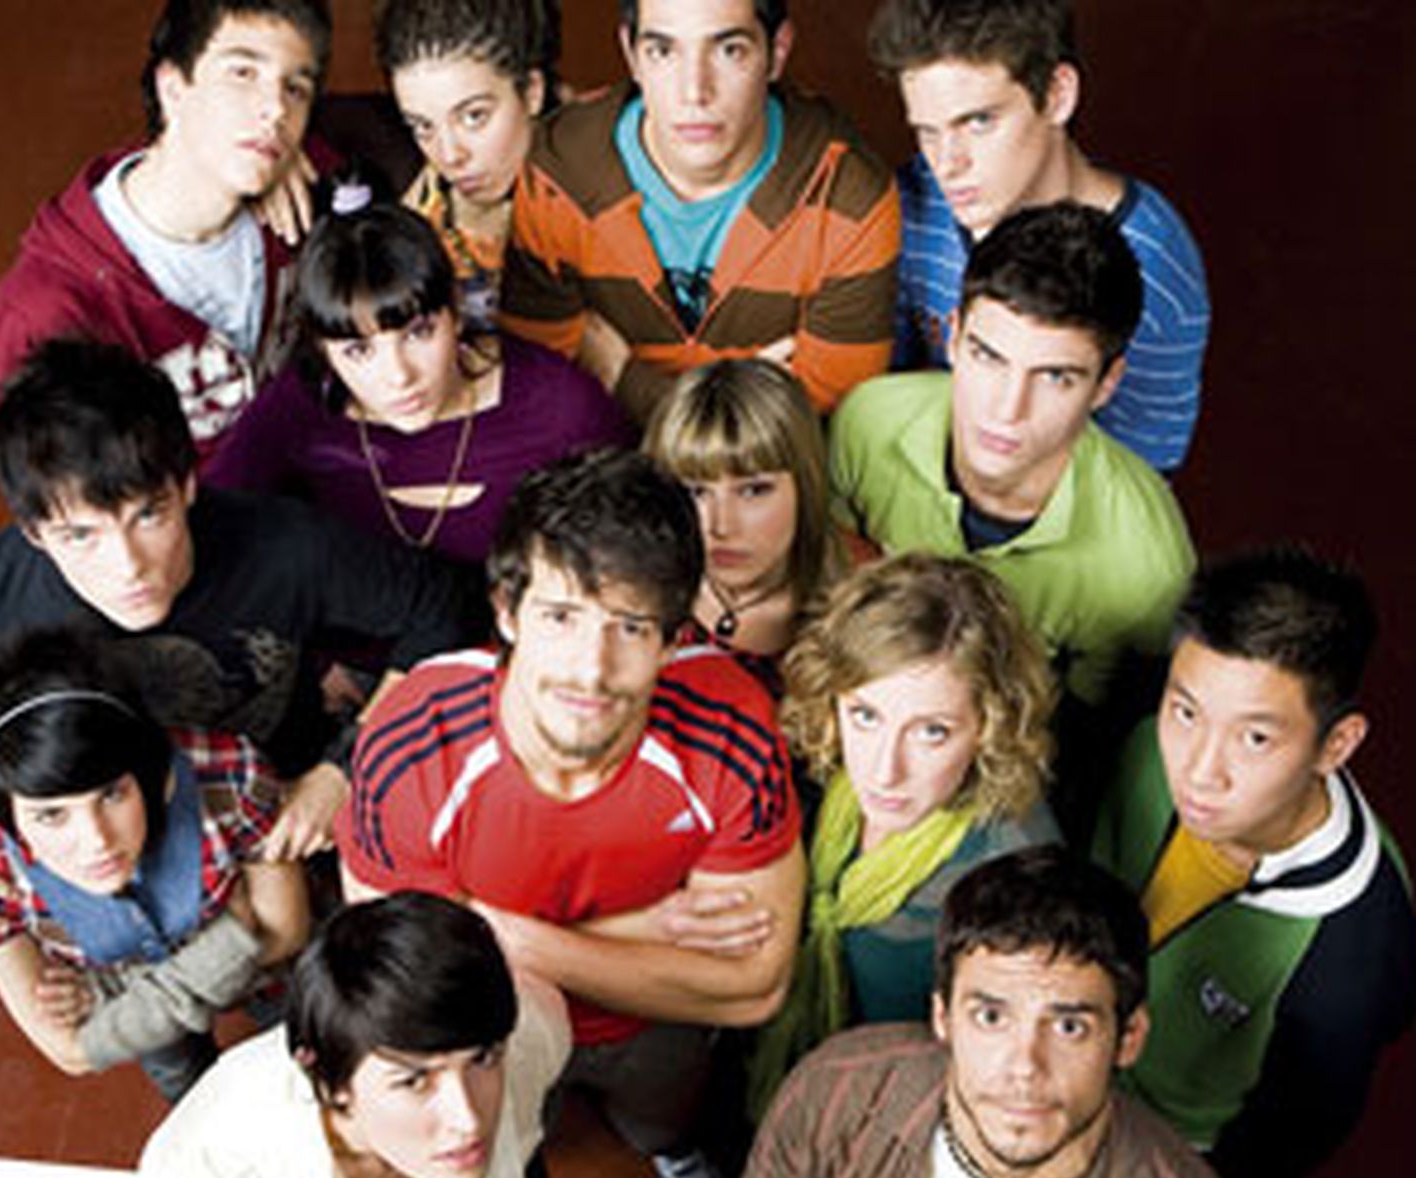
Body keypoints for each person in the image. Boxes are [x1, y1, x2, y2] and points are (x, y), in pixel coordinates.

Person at [0, 339, 479, 952]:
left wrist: (345, 766)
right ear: (33, 532)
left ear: (187, 484)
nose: (129, 567)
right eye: (81, 535)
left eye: (149, 515)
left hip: (278, 805)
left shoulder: (282, 548)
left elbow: (445, 605)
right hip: (106, 846)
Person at [335, 448, 804, 1178]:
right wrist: (643, 928)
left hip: (653, 1025)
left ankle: (675, 1159)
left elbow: (754, 987)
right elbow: (412, 977)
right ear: (506, 612)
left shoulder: (732, 727)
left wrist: (500, 931)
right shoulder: (413, 740)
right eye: (560, 617)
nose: (591, 668)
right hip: (491, 1033)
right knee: (512, 1153)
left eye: (631, 626)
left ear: (673, 639)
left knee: (665, 1126)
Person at [1091, 548, 1416, 1178]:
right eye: (1187, 713)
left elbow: (1286, 1141)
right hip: (1067, 1062)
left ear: (1336, 745)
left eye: (1255, 739)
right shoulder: (1143, 748)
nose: (1199, 771)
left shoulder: (1352, 949)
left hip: (1166, 1149)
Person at [830, 201, 1194, 711]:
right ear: (954, 336)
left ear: (1106, 384)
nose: (1007, 409)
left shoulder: (1148, 565)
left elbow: (1105, 735)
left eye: (1054, 377)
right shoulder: (868, 420)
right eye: (988, 357)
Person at [744, 553, 1060, 1116]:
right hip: (783, 1074)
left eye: (931, 732)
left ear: (989, 727)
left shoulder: (1016, 882)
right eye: (866, 716)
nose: (884, 770)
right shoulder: (824, 778)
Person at [740, 846, 1231, 1178]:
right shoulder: (837, 1092)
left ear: (1129, 1038)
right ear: (943, 1017)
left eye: (1069, 1028)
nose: (1025, 1067)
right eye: (992, 1017)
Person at [0, 626, 309, 1101]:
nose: (96, 840)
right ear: (7, 818)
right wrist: (234, 936)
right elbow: (71, 1050)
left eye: (112, 795)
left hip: (261, 982)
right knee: (186, 1090)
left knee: (311, 1052)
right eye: (51, 815)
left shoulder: (226, 773)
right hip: (189, 1000)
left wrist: (112, 1000)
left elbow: (286, 932)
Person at [500, 0, 900, 420]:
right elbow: (541, 397)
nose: (694, 92)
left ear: (777, 52)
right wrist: (746, 400)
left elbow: (818, 421)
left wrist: (622, 377)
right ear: (631, 55)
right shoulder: (559, 172)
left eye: (729, 50)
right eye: (663, 51)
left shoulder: (849, 196)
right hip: (599, 454)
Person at [0, 0, 334, 456]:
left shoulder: (305, 182)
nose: (275, 109)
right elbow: (44, 480)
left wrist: (284, 157)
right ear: (172, 88)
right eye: (242, 74)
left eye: (295, 88)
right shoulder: (47, 314)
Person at [868, 0, 1209, 471]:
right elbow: (878, 403)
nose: (947, 164)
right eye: (928, 132)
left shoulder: (1157, 266)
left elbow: (1140, 476)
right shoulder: (912, 206)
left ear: (1057, 95)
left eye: (978, 121)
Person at [206, 200, 631, 565]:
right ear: (323, 352)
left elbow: (632, 555)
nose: (399, 376)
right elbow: (207, 529)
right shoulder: (300, 408)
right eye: (359, 351)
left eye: (419, 333)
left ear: (456, 312)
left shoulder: (559, 409)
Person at [140, 891, 572, 1178]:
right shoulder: (218, 1154)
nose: (470, 1120)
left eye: (483, 1058)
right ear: (328, 1081)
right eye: (414, 1081)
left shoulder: (531, 1028)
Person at [641, 358, 837, 686]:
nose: (721, 527)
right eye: (695, 492)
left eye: (753, 490)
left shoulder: (861, 609)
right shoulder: (628, 599)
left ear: (806, 485)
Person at [374, 0, 562, 333]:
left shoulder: (611, 180)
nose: (449, 155)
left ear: (532, 91)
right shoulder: (412, 232)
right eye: (423, 126)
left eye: (474, 116)